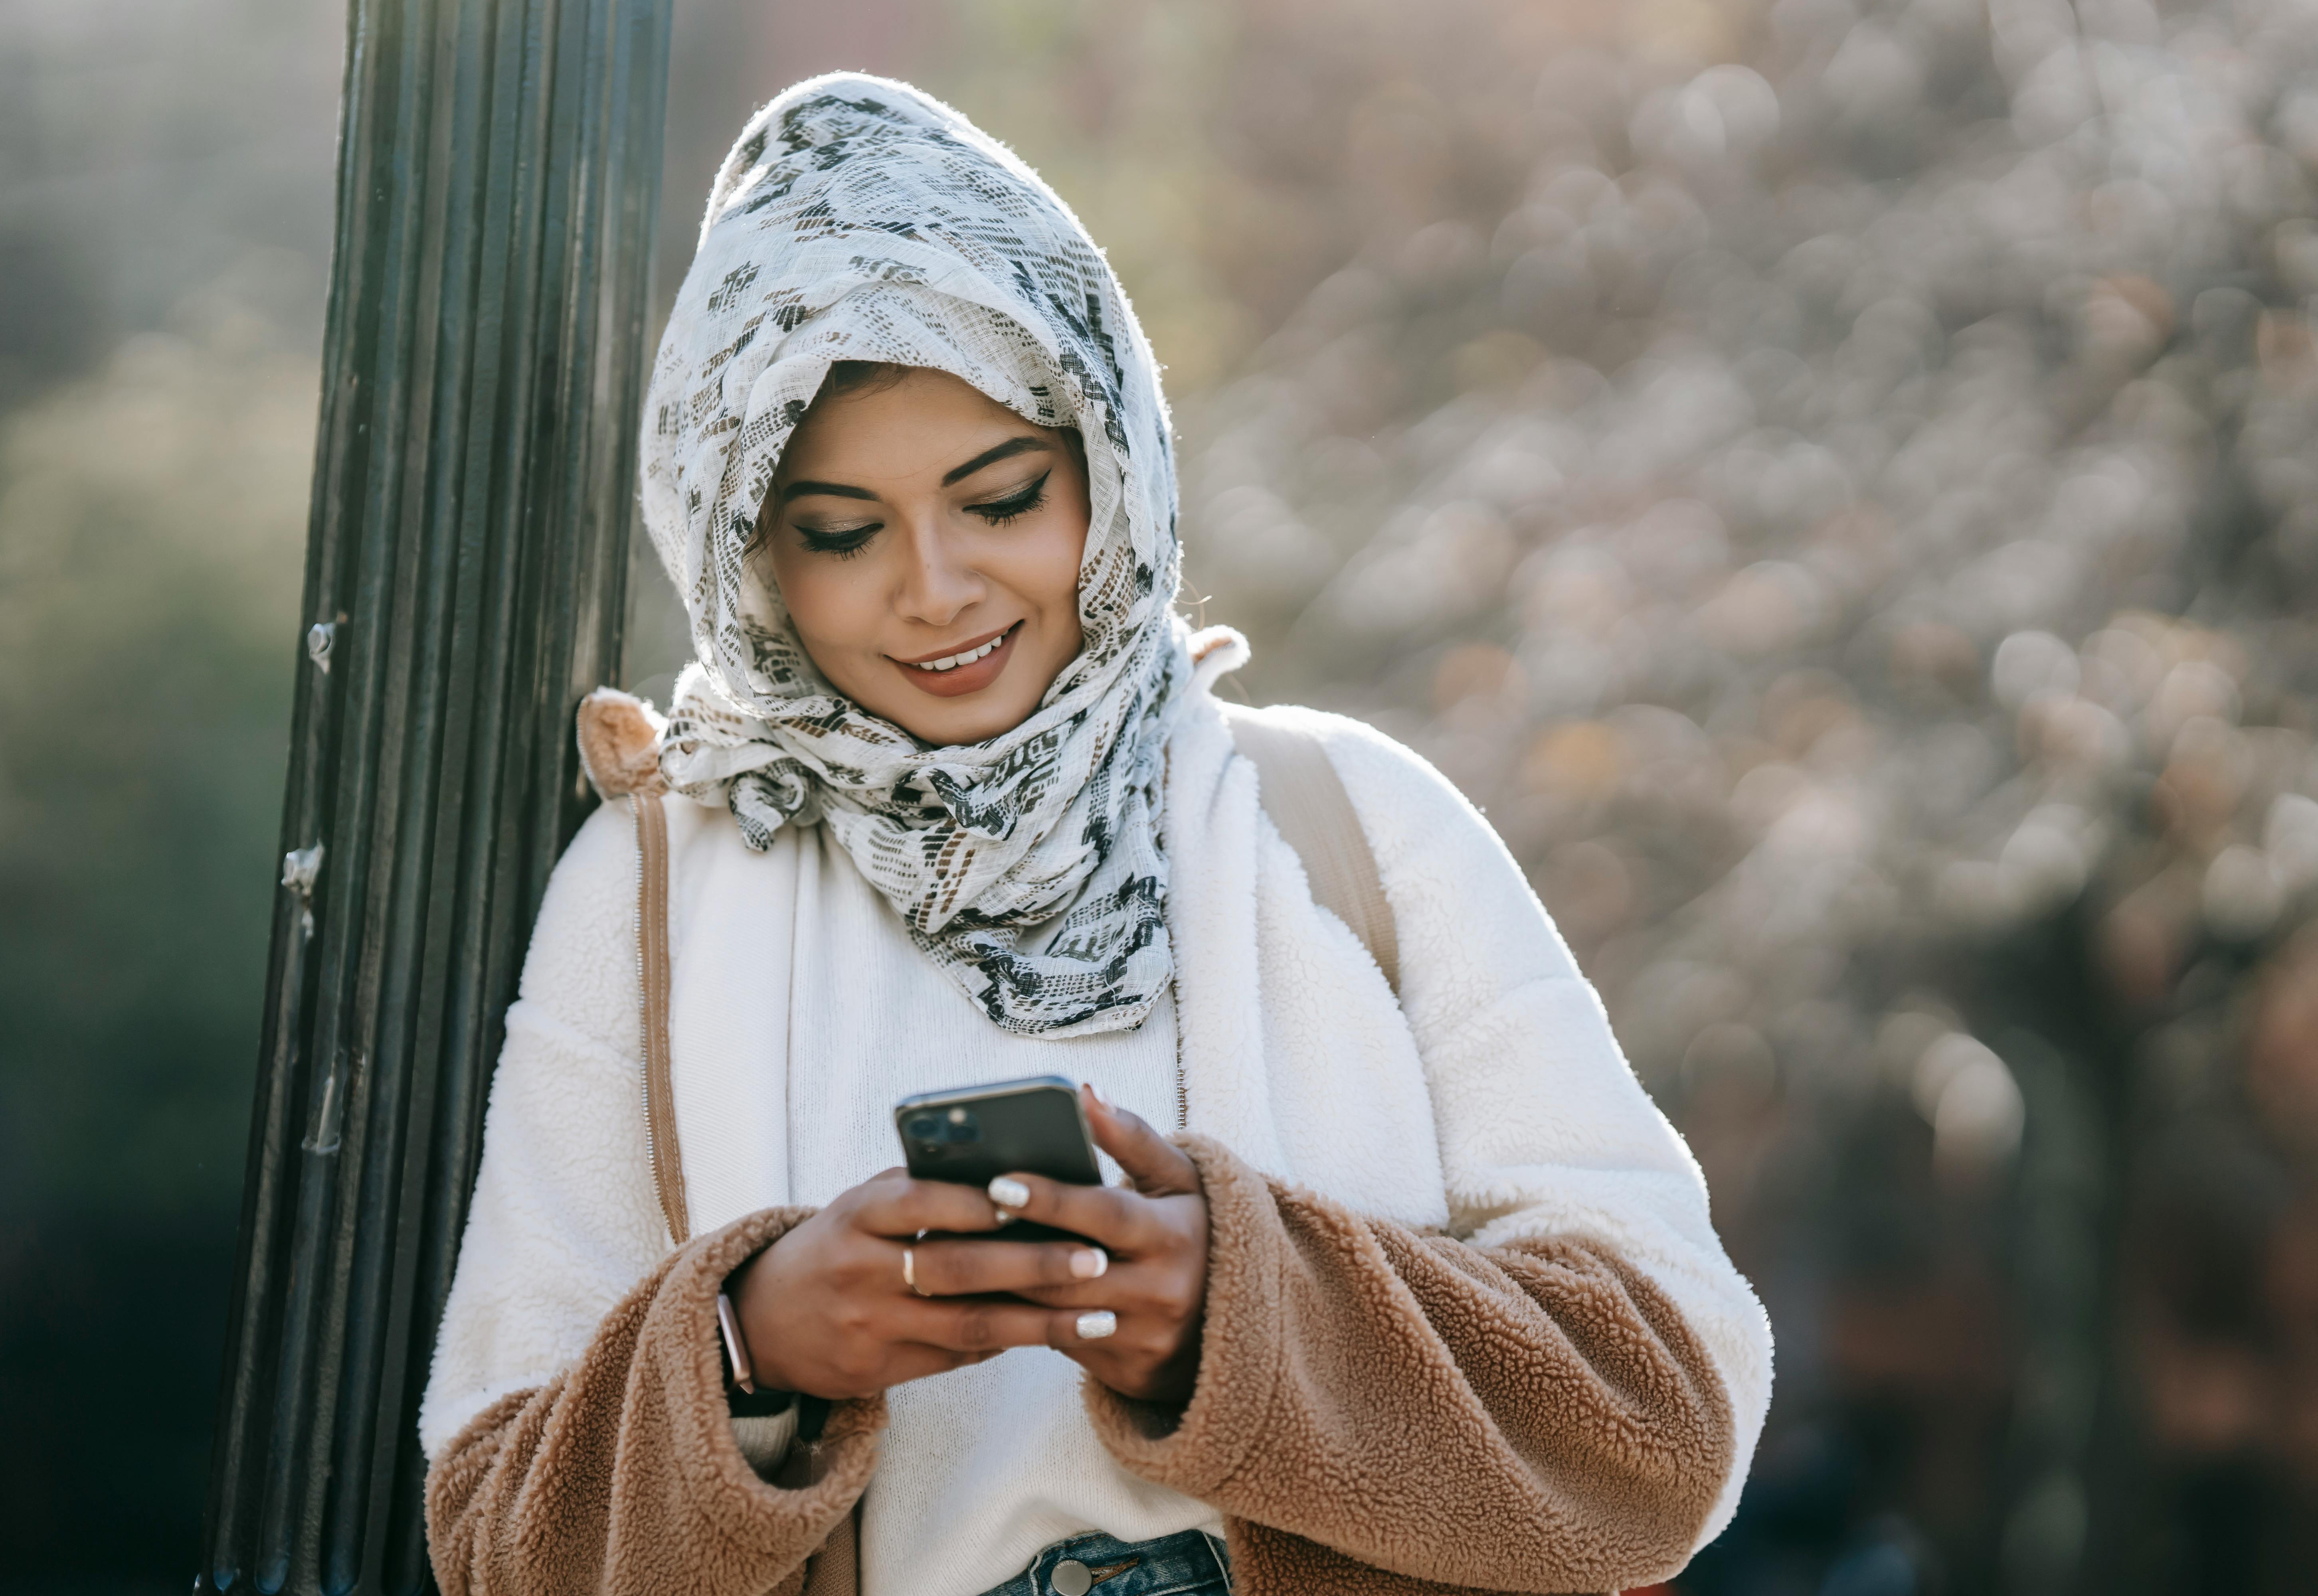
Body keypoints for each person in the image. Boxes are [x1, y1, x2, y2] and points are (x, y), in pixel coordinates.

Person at [418, 73, 1771, 1596]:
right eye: (842, 532)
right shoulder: (655, 892)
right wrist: (755, 1347)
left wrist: (1238, 1316)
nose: (933, 588)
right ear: (746, 553)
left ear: (1107, 468)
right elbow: (495, 1541)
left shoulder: (1351, 823)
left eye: (1001, 498)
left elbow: (1671, 1426)